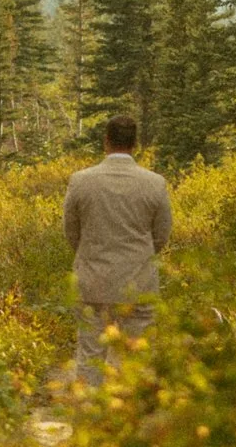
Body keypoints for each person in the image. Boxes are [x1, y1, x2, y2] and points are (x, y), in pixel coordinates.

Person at [63, 114, 172, 383]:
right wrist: (140, 257)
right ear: (135, 143)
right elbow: (161, 235)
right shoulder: (155, 183)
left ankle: (90, 419)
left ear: (106, 141)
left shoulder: (81, 181)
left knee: (90, 357)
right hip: (139, 283)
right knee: (138, 358)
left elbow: (71, 231)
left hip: (93, 281)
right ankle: (132, 418)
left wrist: (90, 253)